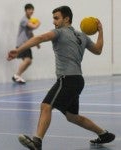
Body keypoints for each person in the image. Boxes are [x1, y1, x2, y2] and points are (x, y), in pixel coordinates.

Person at [7, 6, 115, 150]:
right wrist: (100, 31)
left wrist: (18, 50)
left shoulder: (59, 33)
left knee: (46, 106)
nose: (54, 21)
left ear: (66, 19)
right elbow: (98, 50)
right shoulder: (82, 36)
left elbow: (40, 37)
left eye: (56, 18)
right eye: (53, 18)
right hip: (78, 81)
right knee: (72, 117)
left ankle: (37, 142)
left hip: (66, 80)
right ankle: (103, 134)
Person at [12, 3, 40, 84]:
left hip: (27, 44)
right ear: (25, 10)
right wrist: (38, 23)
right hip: (22, 44)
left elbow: (30, 34)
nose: (31, 11)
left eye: (32, 9)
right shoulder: (24, 20)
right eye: (29, 9)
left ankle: (17, 76)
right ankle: (17, 75)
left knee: (29, 61)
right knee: (28, 60)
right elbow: (33, 27)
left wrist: (37, 43)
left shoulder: (30, 20)